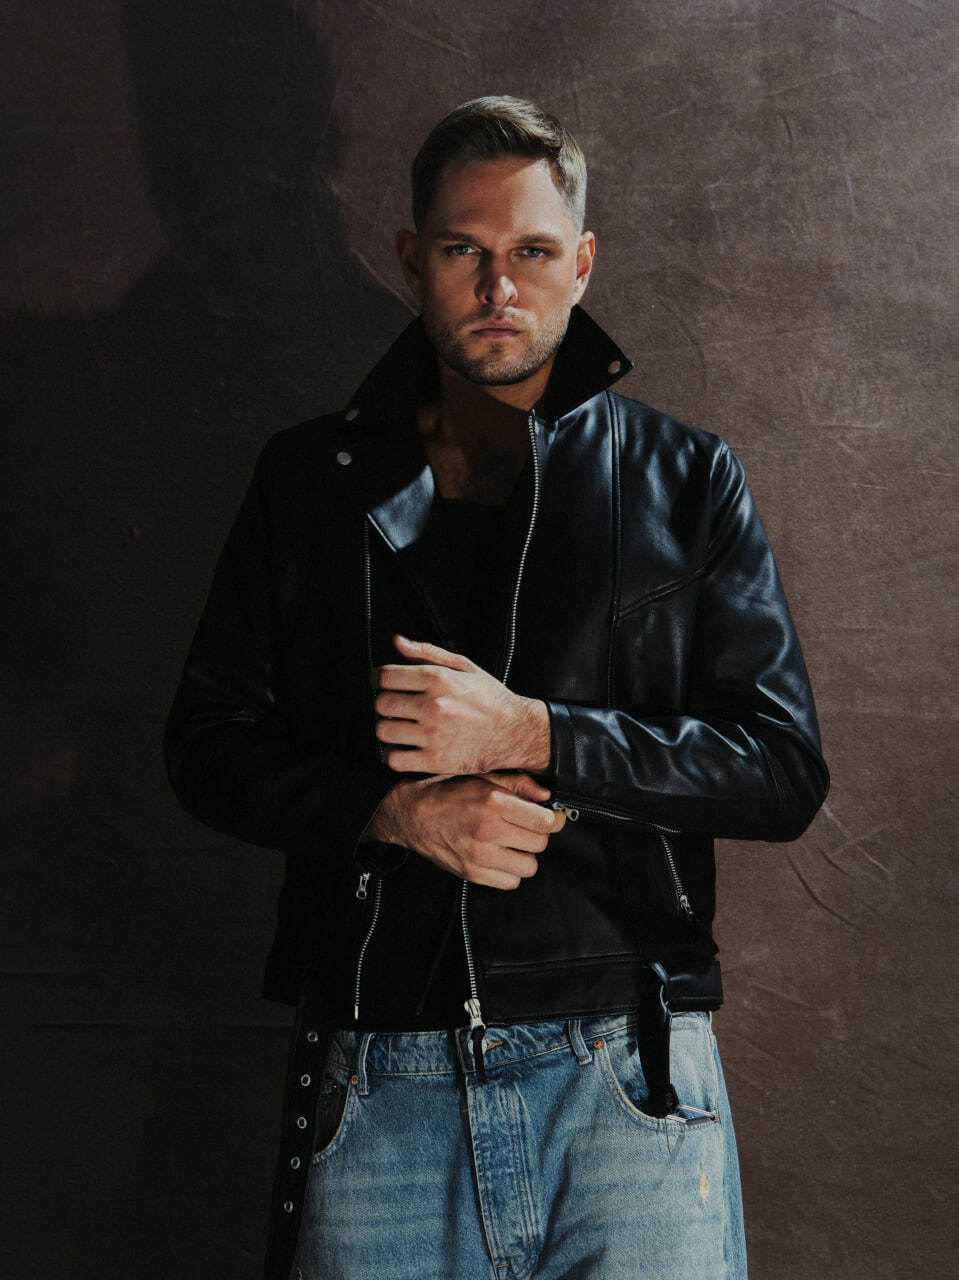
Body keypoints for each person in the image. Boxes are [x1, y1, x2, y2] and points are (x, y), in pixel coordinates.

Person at [164, 95, 828, 1280]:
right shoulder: (309, 481)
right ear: (410, 257)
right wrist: (391, 810)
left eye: (529, 250)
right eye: (462, 250)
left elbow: (779, 769)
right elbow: (206, 743)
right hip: (382, 1077)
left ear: (581, 263)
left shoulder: (683, 478)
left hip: (625, 1073)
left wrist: (534, 732)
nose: (496, 286)